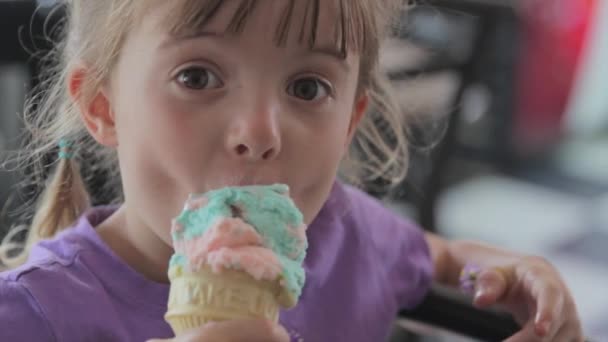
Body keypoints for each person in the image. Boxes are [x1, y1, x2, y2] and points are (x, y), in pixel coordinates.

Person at [0, 1, 584, 341]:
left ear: (352, 119)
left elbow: (441, 259)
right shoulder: (33, 315)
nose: (259, 133)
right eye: (198, 77)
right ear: (103, 104)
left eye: (308, 87)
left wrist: (504, 267)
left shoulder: (344, 238)